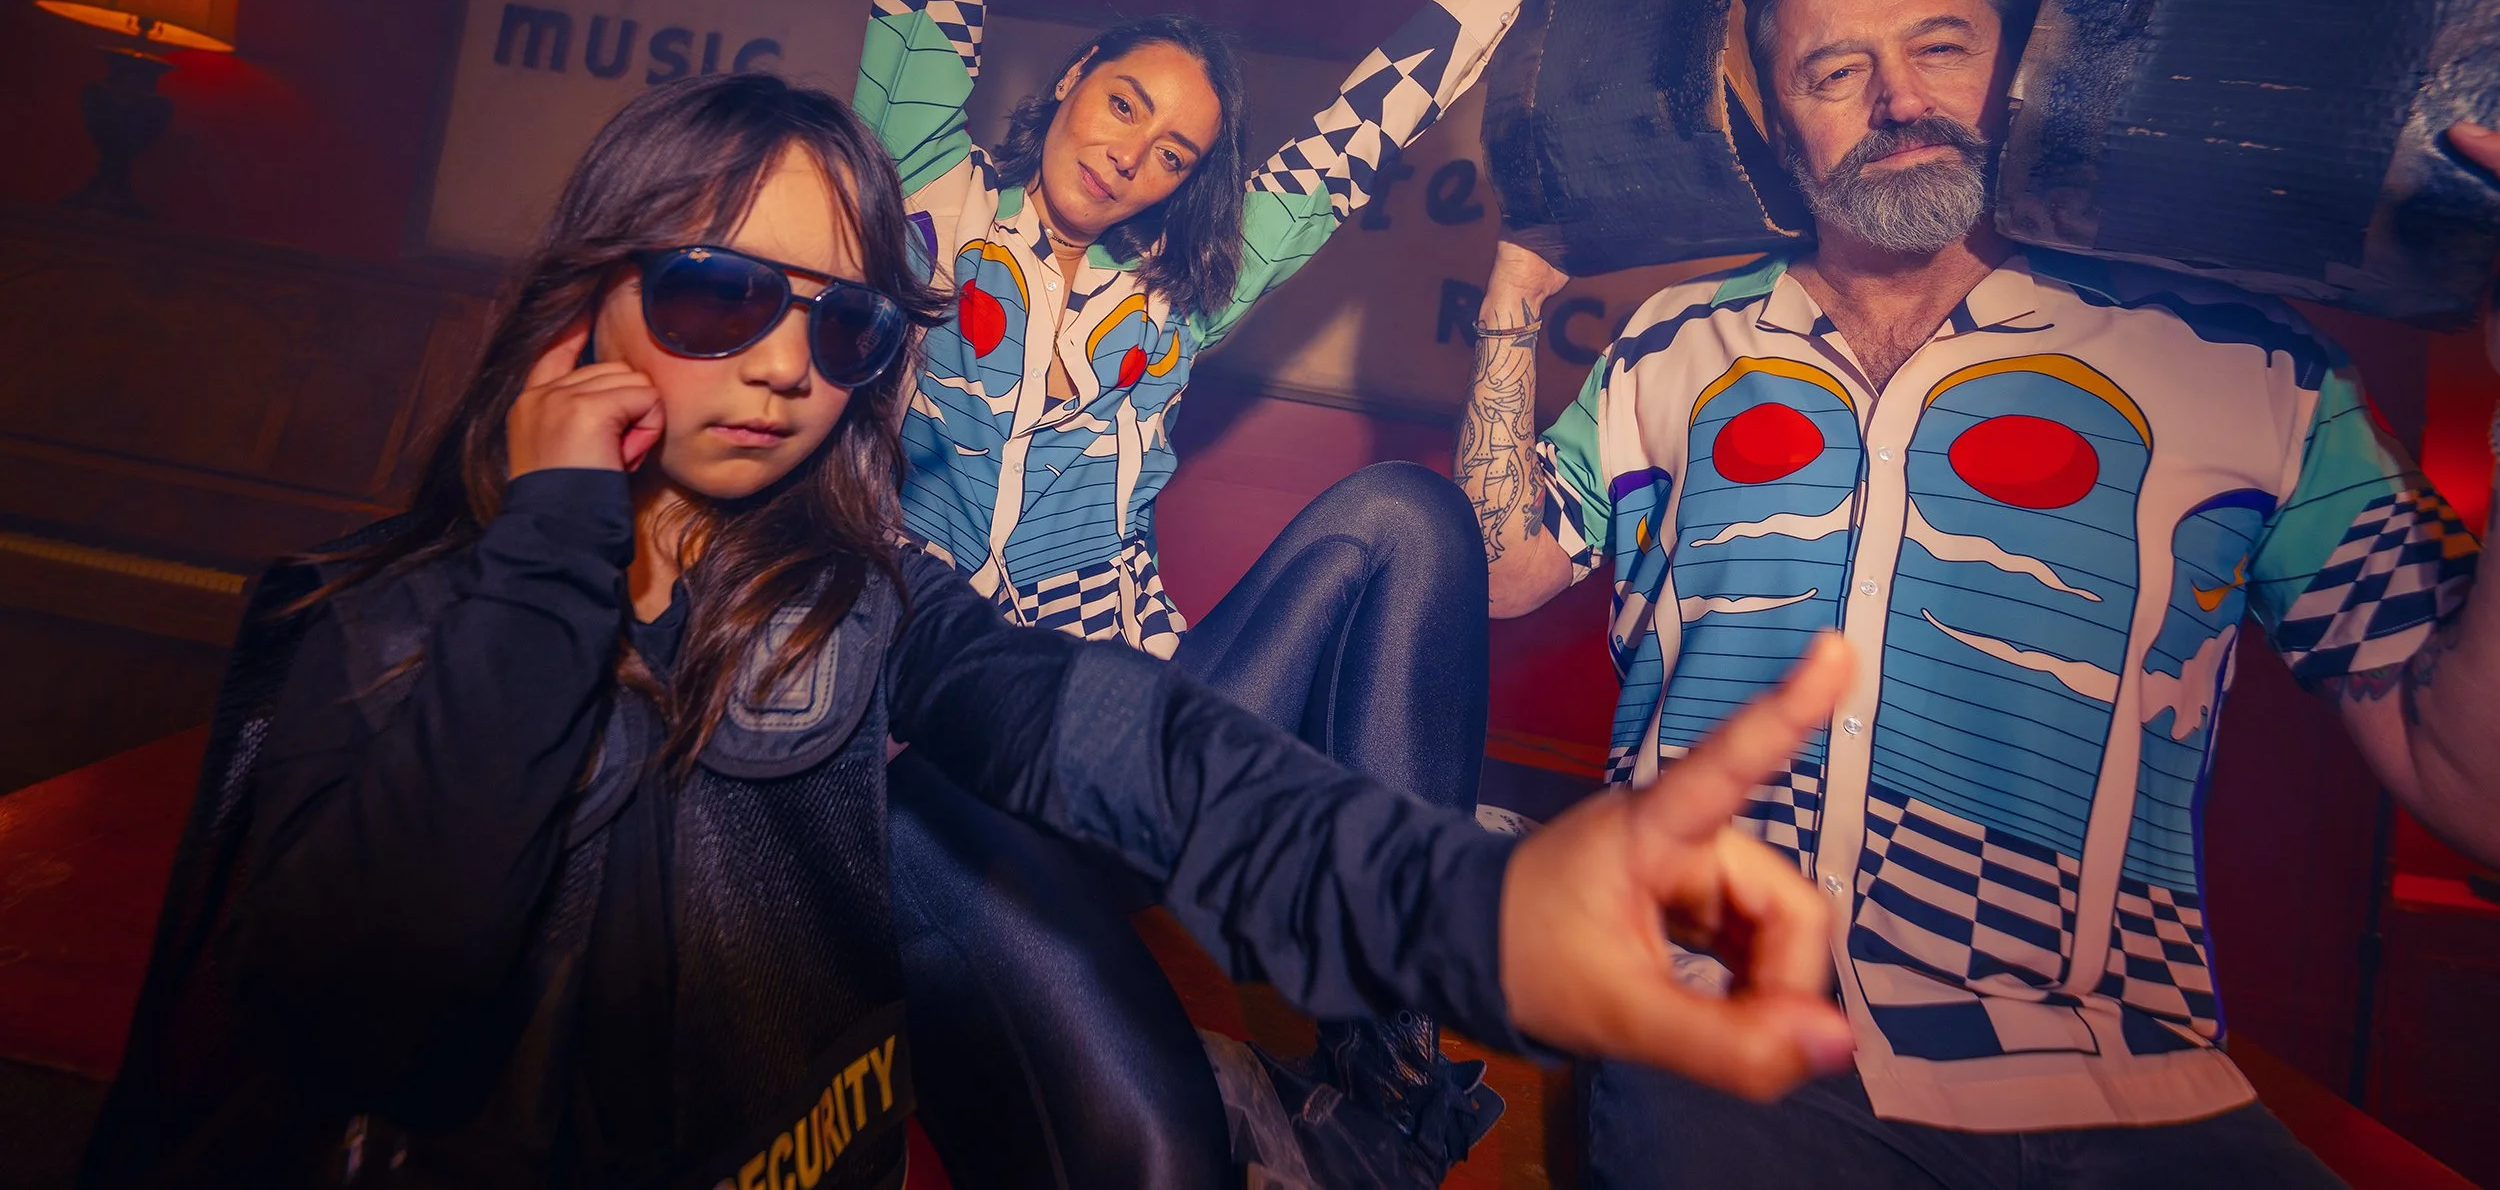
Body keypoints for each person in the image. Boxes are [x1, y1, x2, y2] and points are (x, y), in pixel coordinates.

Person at [82, 71, 1862, 1190]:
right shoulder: (362, 625)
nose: (784, 361)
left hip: (910, 932)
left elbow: (1114, 732)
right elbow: (374, 992)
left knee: (1158, 1150)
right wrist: (555, 544)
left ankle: (1354, 1086)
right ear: (585, 296)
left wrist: (1463, 901)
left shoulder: (861, 595)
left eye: (844, 327)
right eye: (716, 295)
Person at [1456, 0, 2500, 1189]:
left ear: (2024, 74)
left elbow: (2470, 782)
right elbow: (1503, 568)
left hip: (2125, 1075)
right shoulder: (1675, 341)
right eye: (1834, 73)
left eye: (1939, 48)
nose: (1895, 100)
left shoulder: (2248, 363)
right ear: (1786, 130)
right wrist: (1512, 298)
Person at [850, 0, 1633, 1183]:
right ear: (1067, 88)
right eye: (1125, 102)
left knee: (1408, 519)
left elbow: (1376, 108)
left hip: (1137, 740)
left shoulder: (1183, 297)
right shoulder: (915, 182)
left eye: (1176, 149)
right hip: (935, 769)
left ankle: (1391, 1051)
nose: (1137, 153)